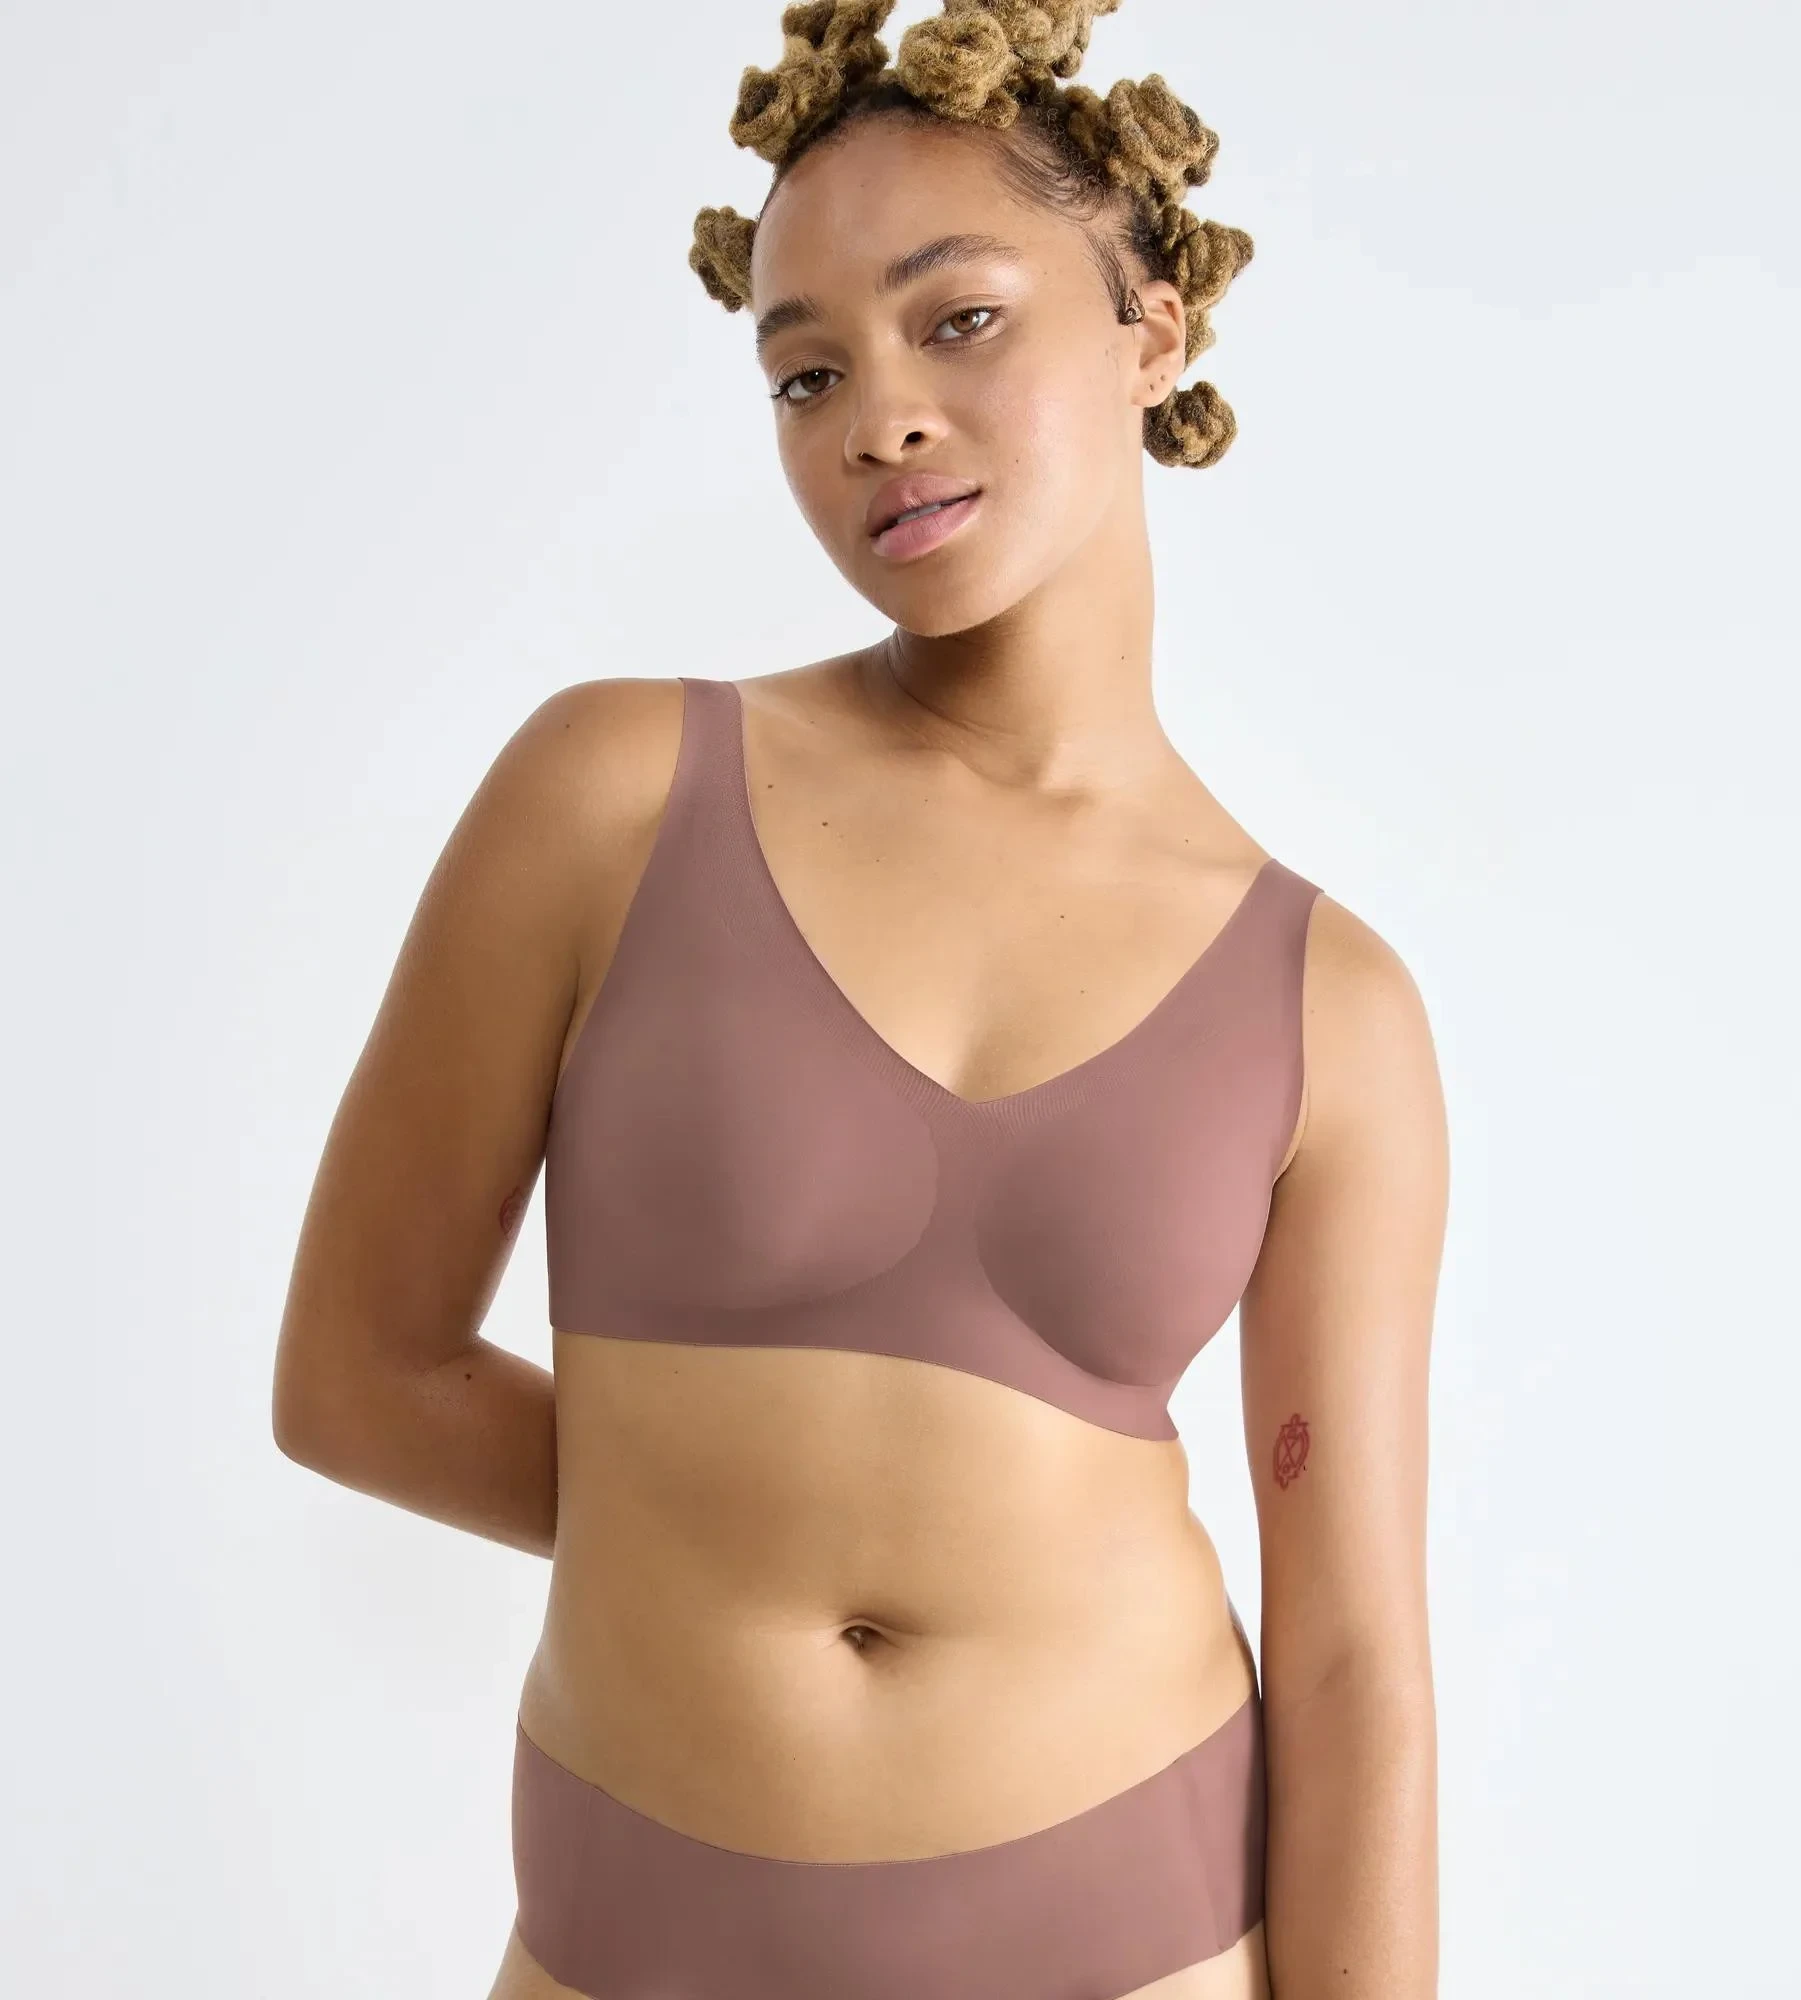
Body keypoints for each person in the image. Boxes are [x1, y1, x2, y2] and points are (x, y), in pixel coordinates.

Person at [271, 3, 1447, 1994]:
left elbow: (1351, 1664)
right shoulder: (614, 795)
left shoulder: (1333, 1005)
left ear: (1152, 329)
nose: (875, 419)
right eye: (805, 371)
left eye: (957, 320)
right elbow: (357, 1378)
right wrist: (721, 1524)